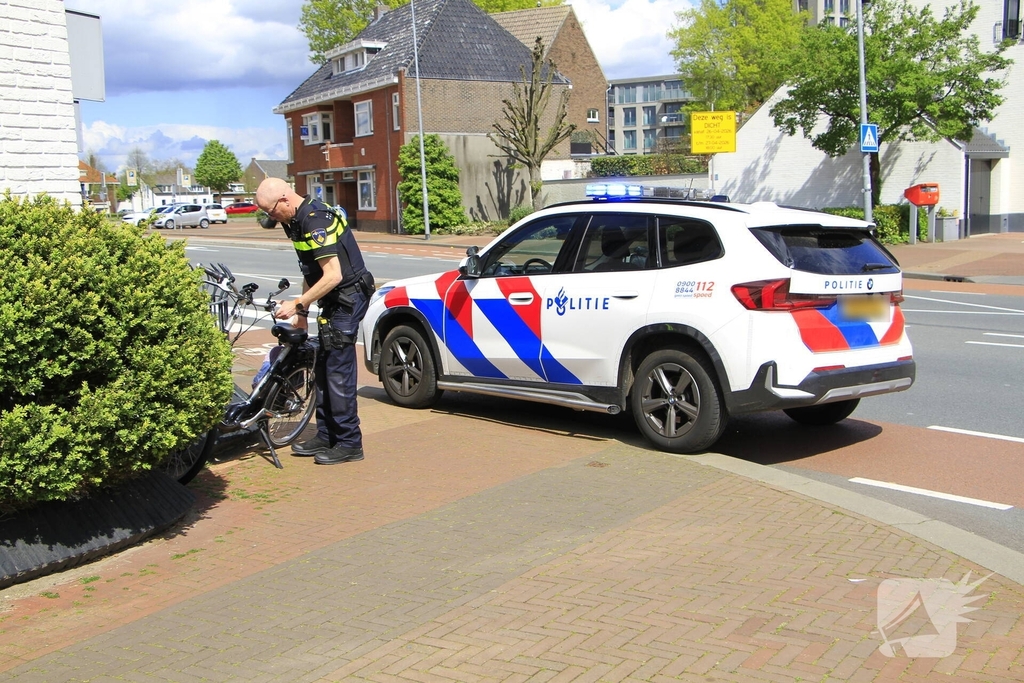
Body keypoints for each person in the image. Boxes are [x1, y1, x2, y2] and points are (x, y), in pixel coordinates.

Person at [255, 178, 374, 465]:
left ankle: (349, 442)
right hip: (332, 298)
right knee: (321, 365)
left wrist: (297, 303)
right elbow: (311, 270)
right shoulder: (293, 222)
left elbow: (332, 275)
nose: (272, 218)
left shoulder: (315, 220)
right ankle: (326, 434)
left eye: (271, 211)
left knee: (337, 371)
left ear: (284, 199)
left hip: (348, 297)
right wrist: (302, 314)